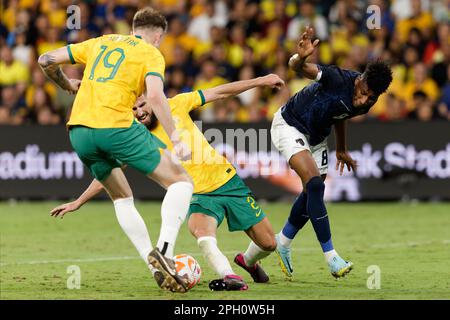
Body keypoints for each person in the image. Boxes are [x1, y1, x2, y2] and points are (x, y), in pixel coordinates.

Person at [50, 74, 285, 291]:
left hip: (228, 182)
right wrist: (78, 201)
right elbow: (108, 176)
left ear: (151, 100)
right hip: (197, 197)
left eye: (142, 105)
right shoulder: (133, 139)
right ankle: (230, 276)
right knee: (203, 235)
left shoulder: (176, 104)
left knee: (269, 243)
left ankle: (247, 261)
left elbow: (219, 92)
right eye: (133, 110)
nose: (139, 112)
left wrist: (260, 80)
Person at [39, 7, 194, 293]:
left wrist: (67, 84)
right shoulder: (151, 53)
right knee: (182, 182)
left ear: (133, 27)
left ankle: (155, 268)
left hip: (79, 132)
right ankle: (165, 251)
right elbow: (157, 97)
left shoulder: (101, 41)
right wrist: (176, 137)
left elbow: (45, 59)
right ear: (158, 36)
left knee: (122, 198)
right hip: (115, 126)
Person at [270, 27, 392, 279]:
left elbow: (342, 114)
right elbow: (297, 68)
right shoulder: (337, 78)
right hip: (290, 124)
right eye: (363, 92)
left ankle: (279, 243)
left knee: (310, 192)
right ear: (360, 79)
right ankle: (331, 256)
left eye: (370, 98)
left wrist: (342, 148)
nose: (362, 100)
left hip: (317, 138)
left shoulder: (369, 100)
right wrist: (301, 57)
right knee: (315, 185)